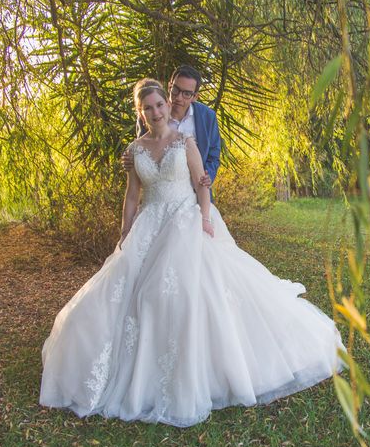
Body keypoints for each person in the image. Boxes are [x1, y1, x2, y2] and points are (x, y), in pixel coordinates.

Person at [39, 78, 344, 427]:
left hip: (185, 219)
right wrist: (125, 231)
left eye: (159, 105)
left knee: (182, 291)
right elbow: (132, 195)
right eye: (148, 107)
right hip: (149, 223)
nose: (155, 112)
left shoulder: (186, 143)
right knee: (122, 293)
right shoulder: (135, 150)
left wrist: (203, 218)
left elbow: (201, 183)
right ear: (141, 112)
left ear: (168, 107)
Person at [122, 65, 220, 190]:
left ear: (195, 97)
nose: (178, 97)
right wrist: (130, 160)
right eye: (175, 90)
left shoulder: (207, 117)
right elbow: (143, 151)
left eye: (186, 94)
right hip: (161, 194)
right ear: (169, 86)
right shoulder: (150, 116)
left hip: (198, 192)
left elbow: (213, 155)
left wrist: (208, 175)